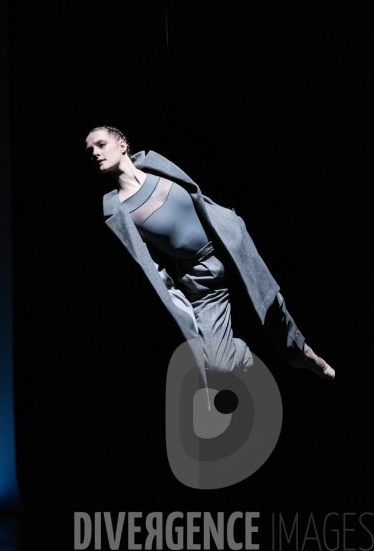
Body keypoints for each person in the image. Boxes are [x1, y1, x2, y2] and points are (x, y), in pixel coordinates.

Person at [85, 125, 335, 391]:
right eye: (90, 151)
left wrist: (231, 220)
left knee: (273, 309)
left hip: (227, 247)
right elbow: (152, 268)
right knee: (217, 363)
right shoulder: (119, 213)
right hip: (200, 276)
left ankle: (302, 355)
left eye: (100, 144)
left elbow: (198, 197)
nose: (95, 153)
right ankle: (252, 350)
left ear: (122, 144)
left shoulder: (156, 165)